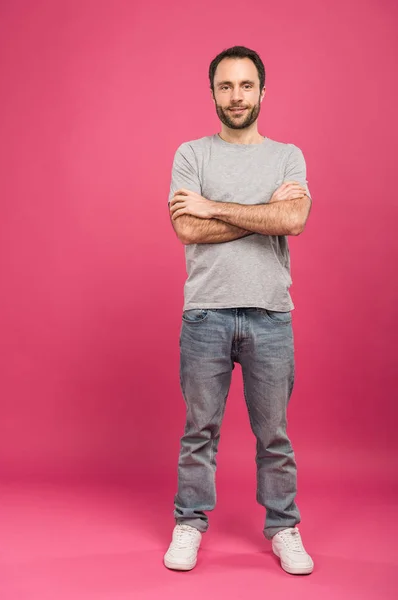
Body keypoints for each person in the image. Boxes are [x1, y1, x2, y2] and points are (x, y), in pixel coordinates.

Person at [164, 45, 314, 576]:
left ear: (262, 92)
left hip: (270, 314)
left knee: (274, 433)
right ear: (212, 93)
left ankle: (284, 527)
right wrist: (264, 212)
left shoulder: (288, 156)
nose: (236, 96)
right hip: (205, 313)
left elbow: (294, 220)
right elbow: (187, 228)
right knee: (199, 429)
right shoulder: (191, 154)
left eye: (245, 86)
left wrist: (217, 207)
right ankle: (189, 522)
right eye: (225, 86)